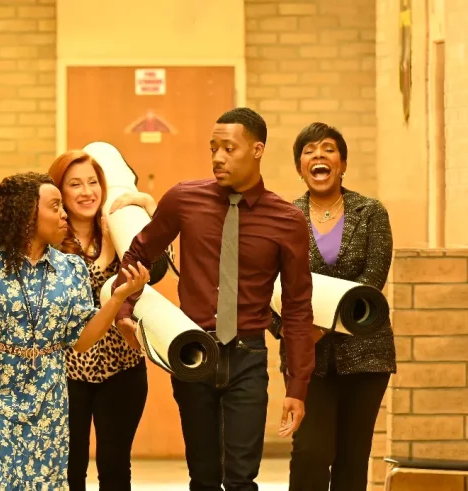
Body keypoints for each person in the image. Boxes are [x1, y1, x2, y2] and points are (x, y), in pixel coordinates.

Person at [111, 107, 316, 491]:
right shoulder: (184, 200)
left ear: (257, 150)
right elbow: (137, 254)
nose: (218, 157)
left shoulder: (286, 220)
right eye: (213, 149)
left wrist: (296, 386)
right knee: (203, 479)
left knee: (241, 479)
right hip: (193, 355)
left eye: (229, 148)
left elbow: (298, 308)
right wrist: (126, 310)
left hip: (248, 358)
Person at [0, 172, 151, 490]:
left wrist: (117, 298)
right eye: (55, 205)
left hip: (49, 404)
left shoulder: (71, 270)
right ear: (27, 212)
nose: (63, 214)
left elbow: (82, 341)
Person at [278, 122, 396, 491]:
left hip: (366, 355)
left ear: (342, 163)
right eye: (309, 151)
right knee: (311, 451)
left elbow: (371, 280)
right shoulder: (284, 217)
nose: (318, 156)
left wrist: (322, 326)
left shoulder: (370, 212)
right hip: (306, 359)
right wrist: (288, 332)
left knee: (352, 455)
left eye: (328, 149)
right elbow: (268, 285)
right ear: (300, 167)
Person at [48, 150, 158, 490]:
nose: (87, 192)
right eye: (75, 184)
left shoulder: (119, 226)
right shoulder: (50, 237)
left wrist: (147, 202)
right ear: (60, 192)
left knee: (114, 468)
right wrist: (108, 253)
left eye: (93, 183)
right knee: (70, 468)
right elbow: (78, 293)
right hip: (67, 373)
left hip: (122, 368)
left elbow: (157, 261)